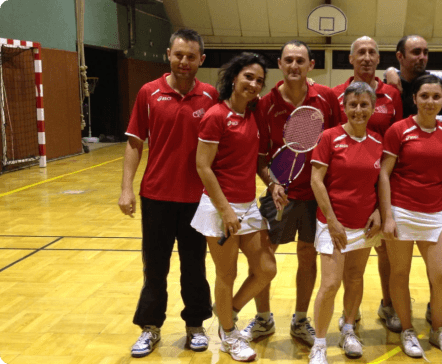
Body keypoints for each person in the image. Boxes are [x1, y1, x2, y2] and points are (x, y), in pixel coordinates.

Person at [118, 28, 216, 358]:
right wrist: (126, 190)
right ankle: (150, 328)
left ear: (201, 59)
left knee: (195, 266)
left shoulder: (210, 96)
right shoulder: (149, 93)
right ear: (168, 55)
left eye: (191, 56)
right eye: (179, 55)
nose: (184, 61)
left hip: (196, 200)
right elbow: (135, 143)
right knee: (155, 268)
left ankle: (196, 325)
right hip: (157, 196)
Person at [242, 40, 342, 347]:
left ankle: (300, 320)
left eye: (301, 60)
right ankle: (263, 319)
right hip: (278, 194)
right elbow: (260, 160)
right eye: (289, 60)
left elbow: (338, 144)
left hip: (314, 196)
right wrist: (273, 183)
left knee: (307, 256)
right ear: (281, 65)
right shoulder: (264, 104)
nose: (295, 66)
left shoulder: (325, 98)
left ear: (311, 65)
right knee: (263, 259)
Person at [190, 52, 276, 362]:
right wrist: (225, 209)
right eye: (248, 77)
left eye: (259, 81)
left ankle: (229, 310)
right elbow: (203, 166)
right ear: (234, 78)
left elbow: (253, 162)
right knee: (227, 274)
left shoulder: (252, 117)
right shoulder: (215, 116)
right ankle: (228, 334)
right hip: (219, 207)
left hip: (248, 207)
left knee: (266, 268)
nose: (253, 84)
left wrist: (273, 183)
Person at [379, 74, 442, 358]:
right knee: (400, 274)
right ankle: (407, 330)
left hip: (434, 214)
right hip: (401, 211)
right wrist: (388, 215)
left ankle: (438, 329)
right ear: (414, 99)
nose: (430, 101)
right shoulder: (398, 130)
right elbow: (384, 174)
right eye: (424, 96)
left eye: (436, 97)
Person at [331, 36, 403, 333]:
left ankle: (387, 305)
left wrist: (381, 204)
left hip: (382, 186)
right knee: (349, 260)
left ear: (378, 58)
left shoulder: (392, 95)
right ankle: (351, 311)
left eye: (372, 52)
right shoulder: (336, 94)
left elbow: (398, 139)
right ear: (351, 59)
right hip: (348, 189)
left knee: (385, 252)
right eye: (360, 52)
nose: (366, 57)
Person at [309, 82, 383, 364]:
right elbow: (317, 181)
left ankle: (349, 328)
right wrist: (332, 221)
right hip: (333, 224)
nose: (358, 110)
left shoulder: (378, 141)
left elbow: (380, 183)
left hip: (364, 225)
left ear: (373, 108)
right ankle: (319, 343)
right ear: (344, 106)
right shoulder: (329, 137)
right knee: (330, 283)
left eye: (364, 104)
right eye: (353, 104)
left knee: (355, 277)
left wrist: (378, 211)